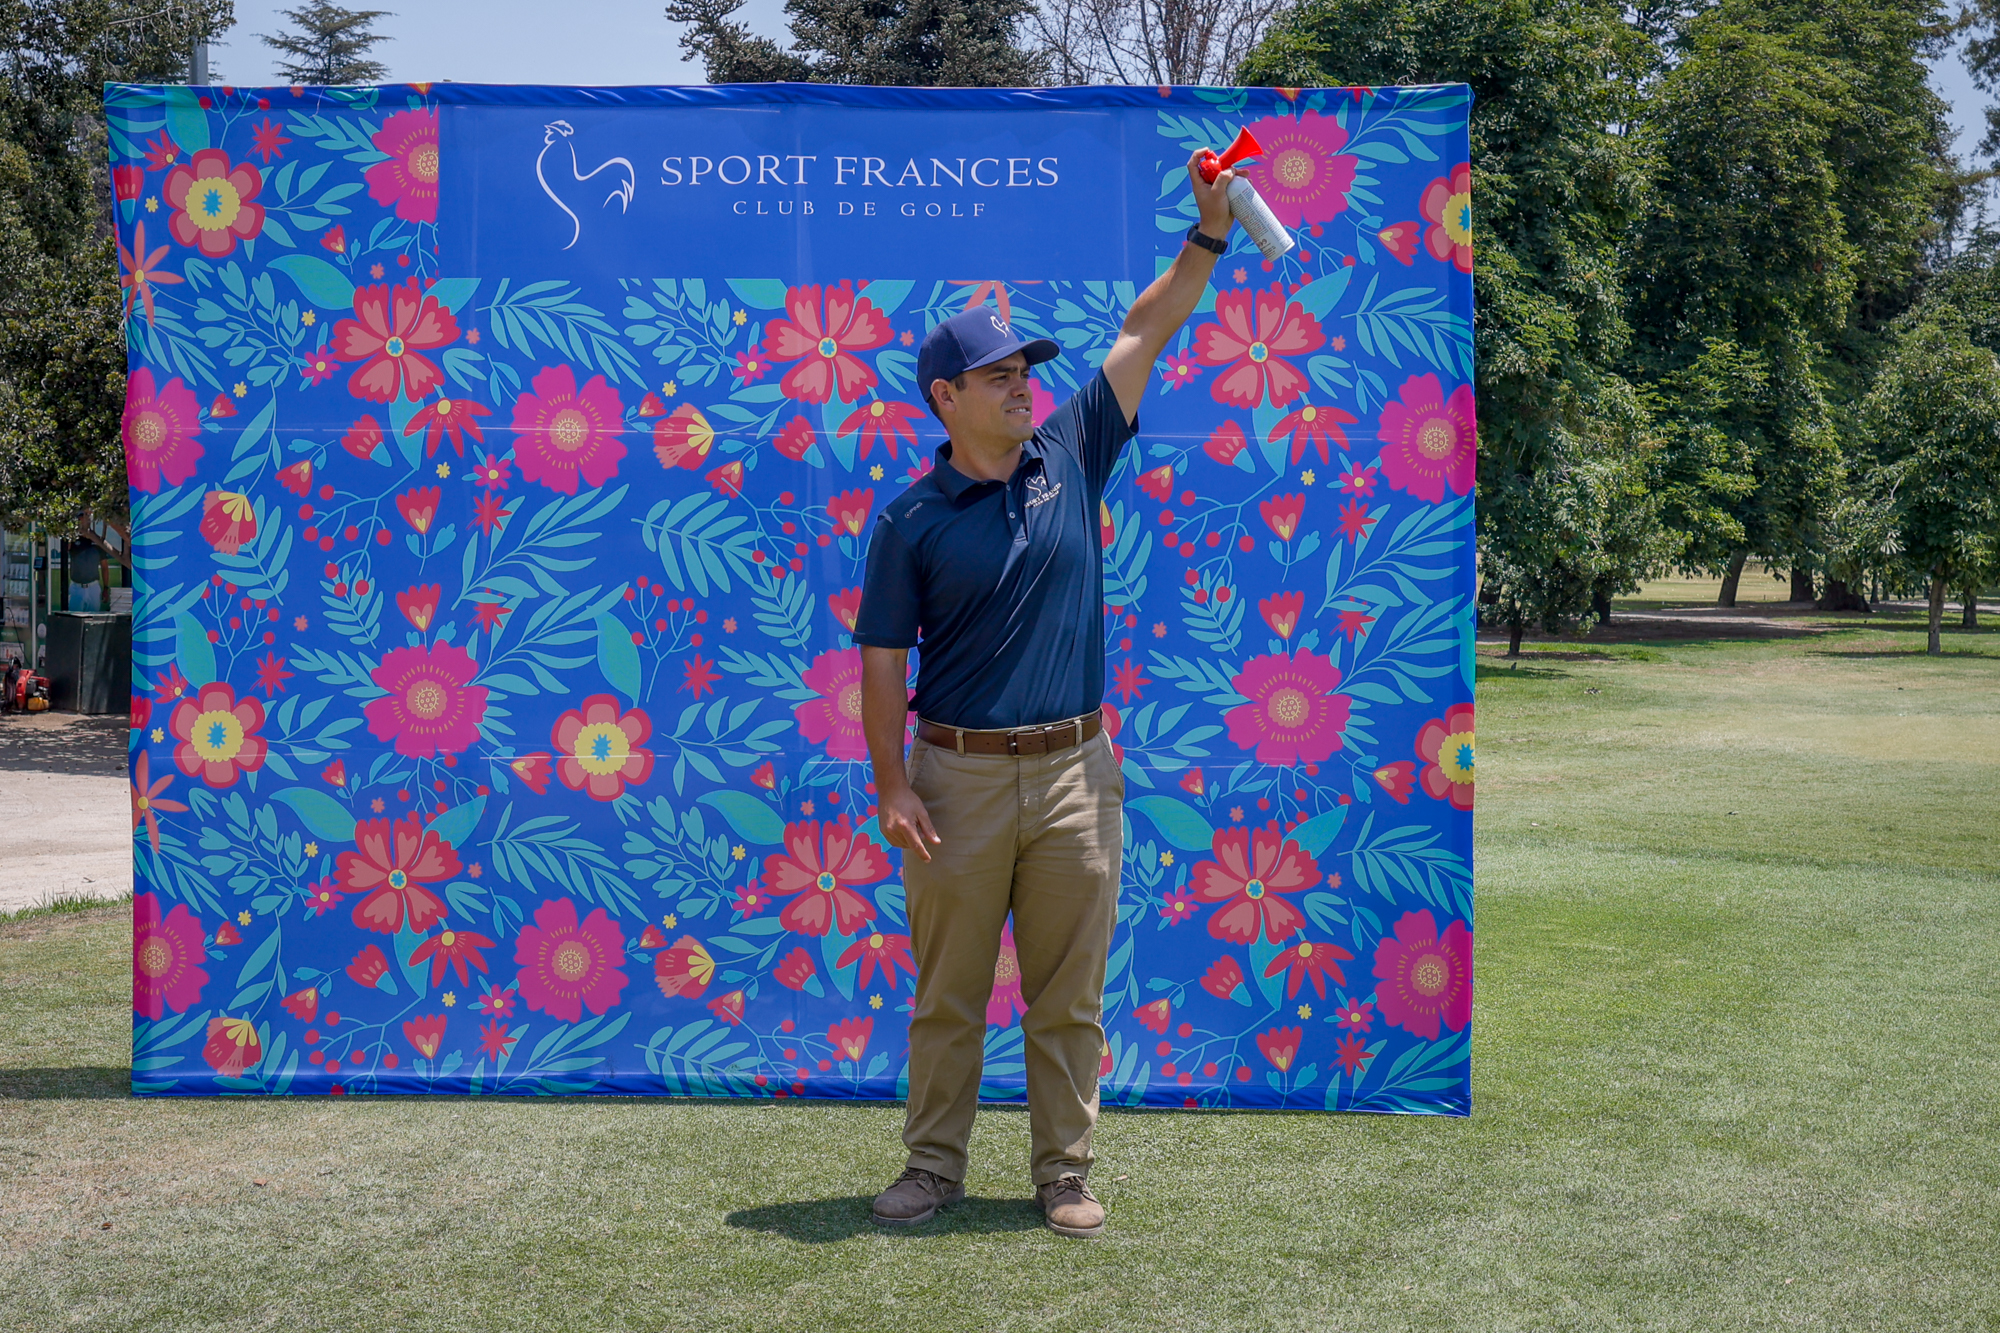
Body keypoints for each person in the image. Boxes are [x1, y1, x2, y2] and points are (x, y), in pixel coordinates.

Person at [851, 150, 1238, 1238]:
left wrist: (1207, 233)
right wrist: (893, 785)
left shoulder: (1071, 449)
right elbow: (881, 660)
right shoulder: (909, 520)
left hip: (1076, 773)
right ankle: (932, 1167)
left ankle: (1064, 1172)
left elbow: (1144, 329)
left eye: (1026, 369)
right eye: (999, 376)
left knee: (1068, 994)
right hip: (955, 779)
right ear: (946, 397)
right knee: (949, 995)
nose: (1024, 384)